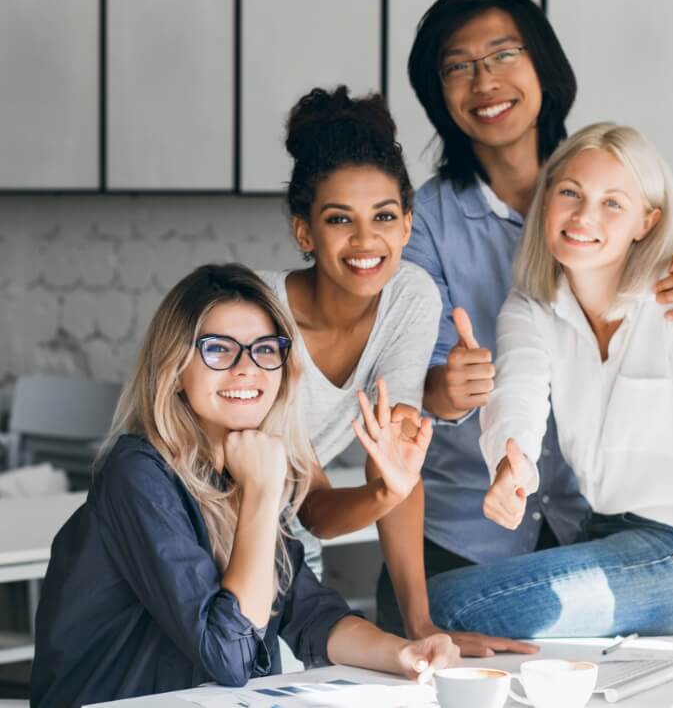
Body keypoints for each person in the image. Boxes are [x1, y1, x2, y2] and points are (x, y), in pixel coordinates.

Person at [376, 0, 673, 636]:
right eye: (459, 68)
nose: (485, 80)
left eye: (504, 54)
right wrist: (458, 402)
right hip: (471, 531)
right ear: (437, 94)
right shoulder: (431, 230)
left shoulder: (614, 179)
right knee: (420, 626)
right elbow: (447, 388)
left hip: (615, 533)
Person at [31, 264, 458, 708]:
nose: (246, 369)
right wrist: (261, 492)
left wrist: (403, 653)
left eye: (264, 350)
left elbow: (310, 613)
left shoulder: (244, 464)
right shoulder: (139, 473)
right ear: (175, 369)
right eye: (219, 350)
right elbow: (229, 654)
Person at [427, 122, 673, 636]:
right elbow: (518, 393)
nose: (583, 216)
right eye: (570, 192)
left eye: (612, 203)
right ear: (547, 199)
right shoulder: (531, 306)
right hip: (603, 532)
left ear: (647, 220)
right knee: (420, 603)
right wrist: (513, 469)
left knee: (449, 607)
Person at [261, 86, 532, 657]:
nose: (366, 241)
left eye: (384, 216)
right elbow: (317, 508)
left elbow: (398, 459)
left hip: (280, 538)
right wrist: (387, 486)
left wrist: (421, 623)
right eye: (340, 219)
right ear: (304, 232)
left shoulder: (408, 296)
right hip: (185, 530)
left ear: (408, 225)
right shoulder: (259, 318)